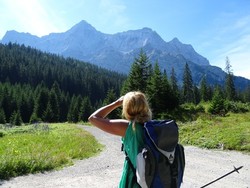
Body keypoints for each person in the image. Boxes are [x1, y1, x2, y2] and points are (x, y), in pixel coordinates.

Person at [88, 91, 152, 187]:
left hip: (135, 181)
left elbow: (93, 118)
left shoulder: (128, 128)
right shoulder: (153, 126)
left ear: (126, 108)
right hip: (153, 180)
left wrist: (116, 103)